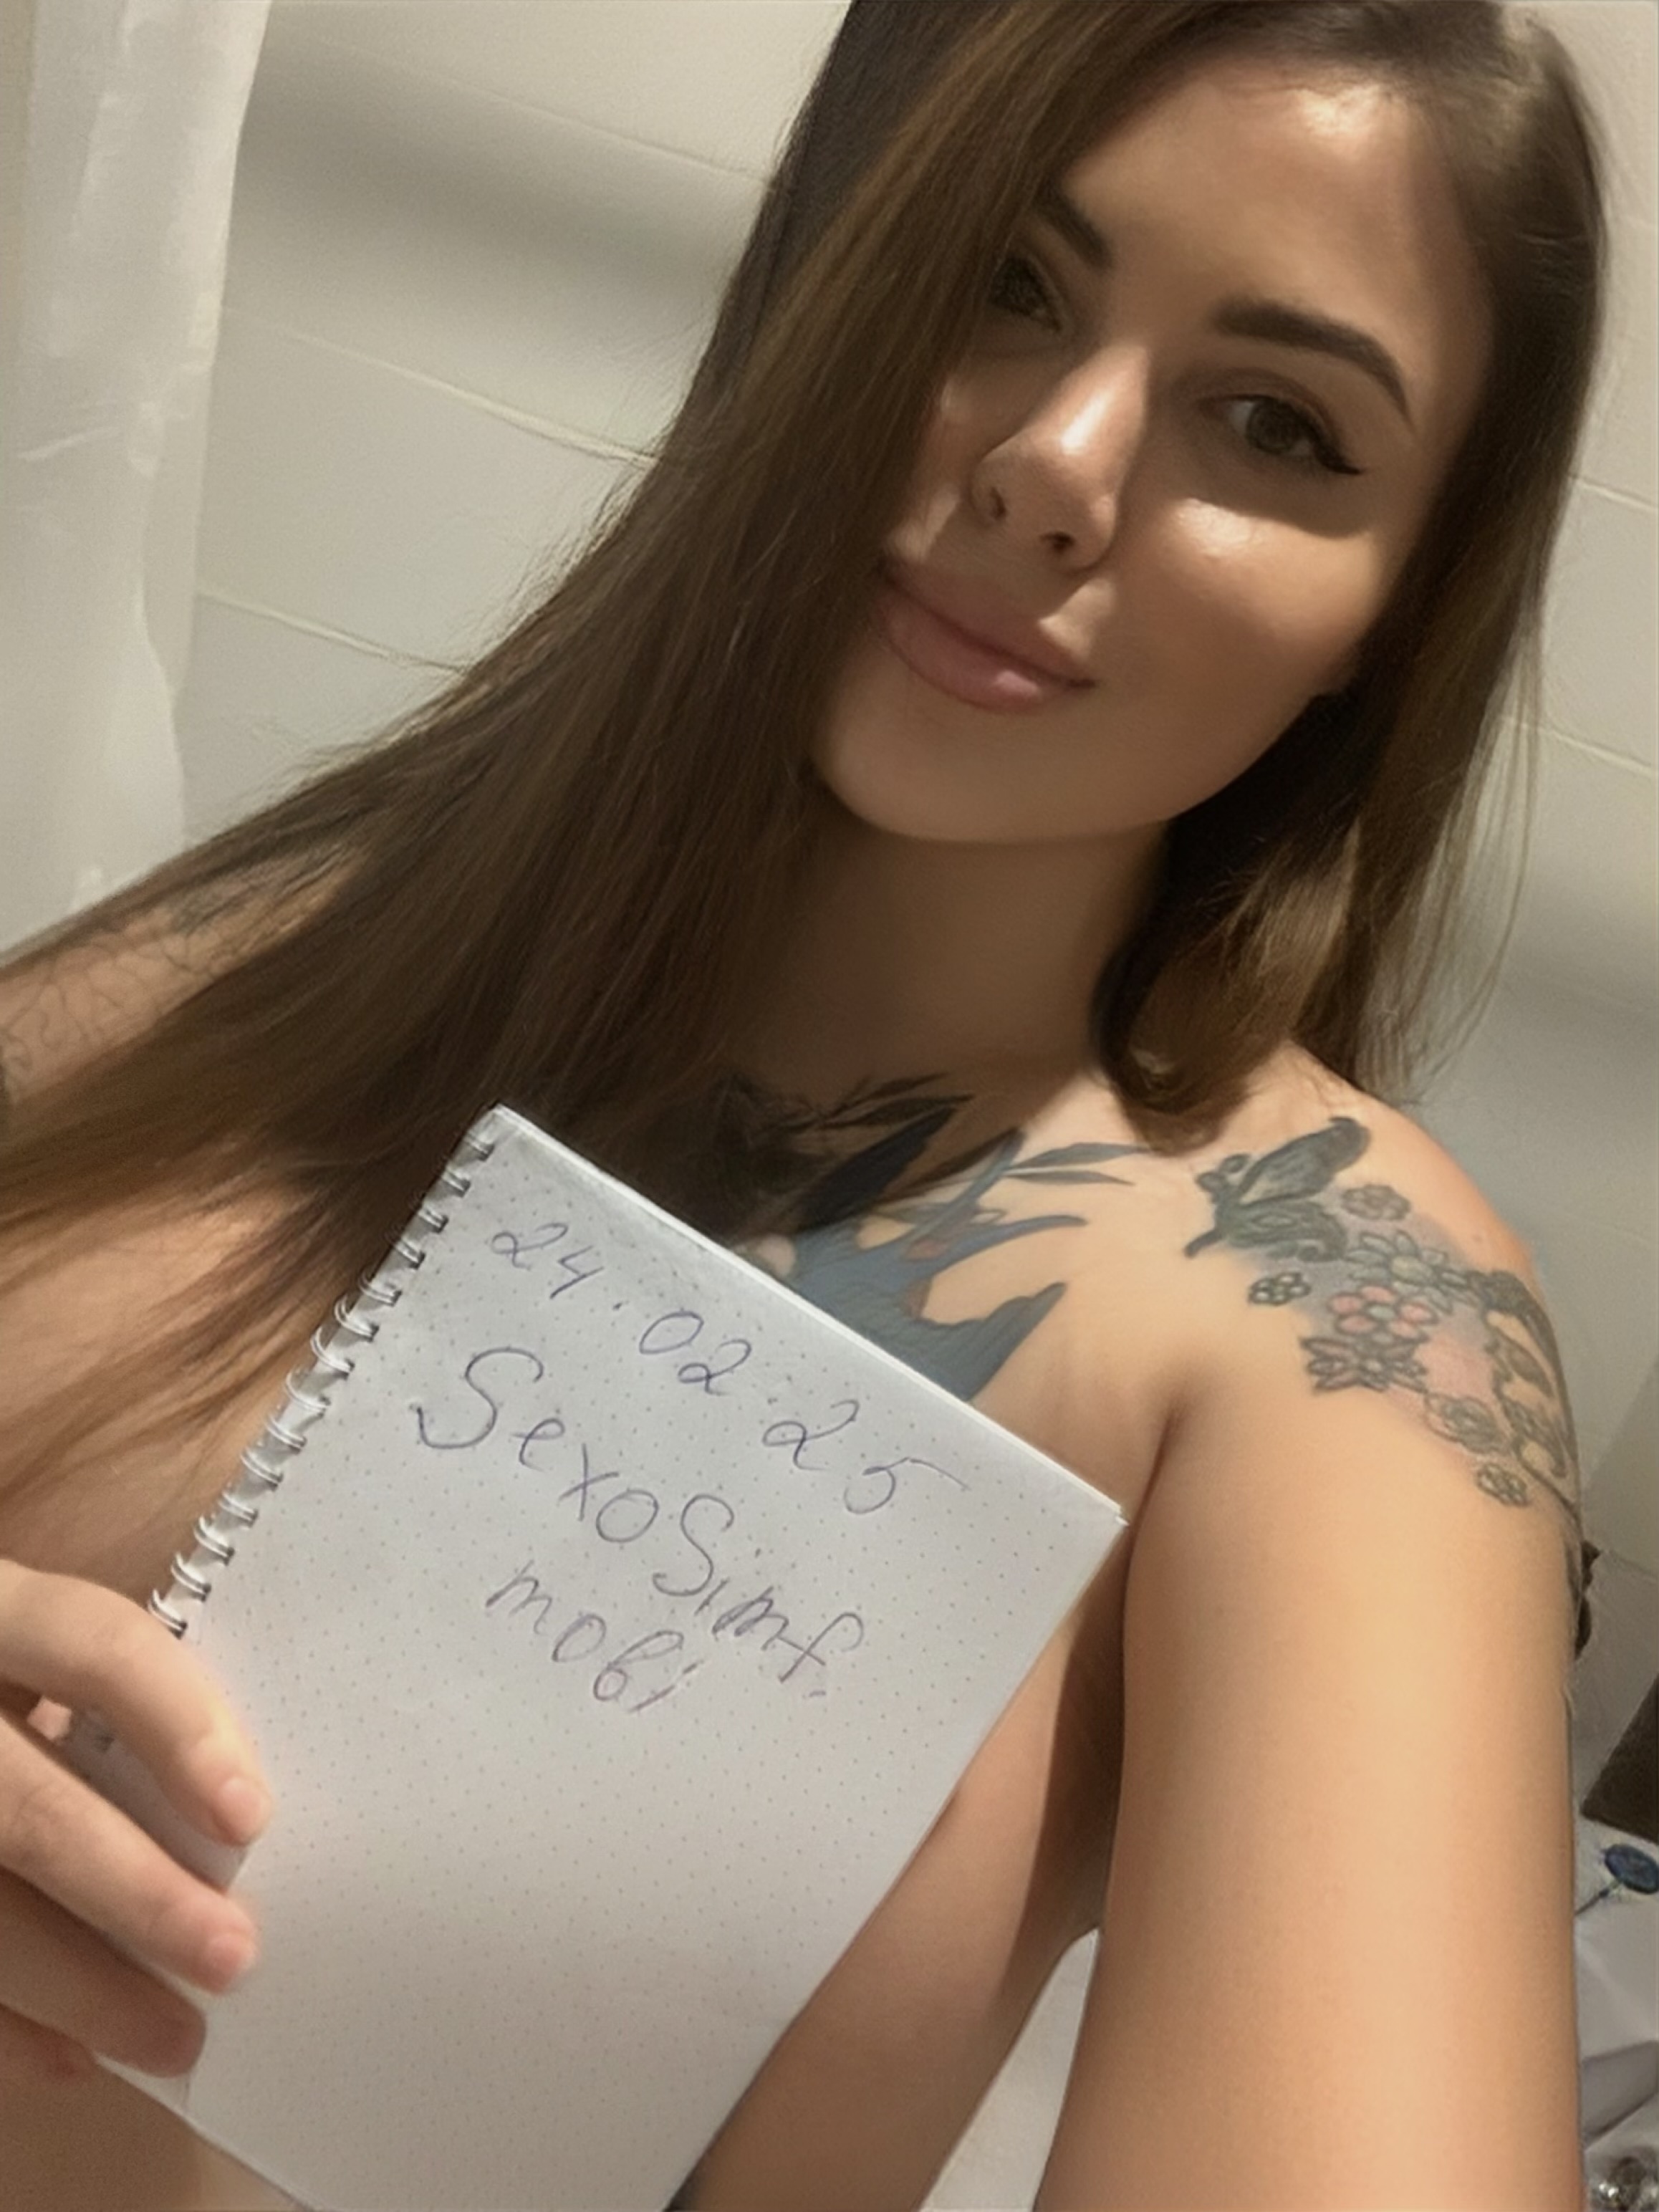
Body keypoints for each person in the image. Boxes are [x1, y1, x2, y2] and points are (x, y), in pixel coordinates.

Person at [0, 0, 1607, 2203]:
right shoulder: (269, 948)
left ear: (1388, 613)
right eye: (998, 278)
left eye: (1274, 423)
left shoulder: (1332, 1327)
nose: (1057, 464)